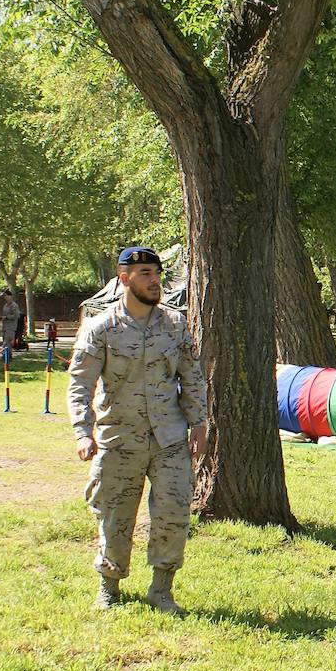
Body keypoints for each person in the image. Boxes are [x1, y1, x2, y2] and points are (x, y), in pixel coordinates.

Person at [67, 247, 208, 615]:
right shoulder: (102, 329)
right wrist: (83, 431)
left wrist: (200, 422)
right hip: (120, 439)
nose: (154, 280)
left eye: (157, 273)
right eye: (145, 273)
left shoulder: (176, 325)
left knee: (173, 513)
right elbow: (80, 383)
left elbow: (191, 376)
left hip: (170, 439)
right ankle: (109, 587)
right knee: (115, 514)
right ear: (124, 277)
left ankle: (161, 590)